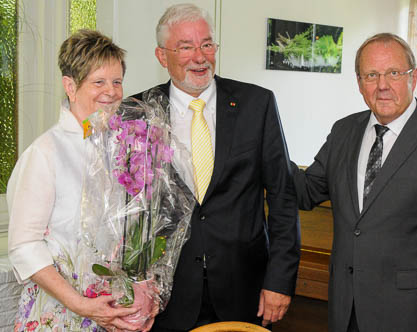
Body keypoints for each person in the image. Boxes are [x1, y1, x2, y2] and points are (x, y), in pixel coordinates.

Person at [292, 33, 417, 332]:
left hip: (409, 316)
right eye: (371, 75)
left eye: (393, 73)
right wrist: (266, 146)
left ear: (413, 77)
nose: (382, 85)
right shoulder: (343, 131)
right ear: (359, 82)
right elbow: (305, 191)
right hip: (344, 309)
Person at [131, 3, 300, 331]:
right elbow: (129, 211)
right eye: (185, 47)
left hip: (244, 289)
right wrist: (135, 285)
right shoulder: (137, 112)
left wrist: (279, 280)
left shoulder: (257, 104)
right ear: (162, 56)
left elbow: (282, 197)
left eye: (206, 44)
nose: (200, 56)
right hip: (165, 295)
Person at [7, 29, 154, 331]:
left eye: (117, 81)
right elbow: (23, 246)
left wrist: (142, 295)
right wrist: (80, 304)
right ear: (70, 86)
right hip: (58, 313)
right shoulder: (45, 152)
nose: (111, 91)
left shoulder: (122, 147)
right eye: (98, 82)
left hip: (110, 311)